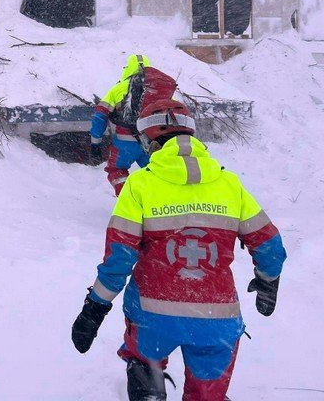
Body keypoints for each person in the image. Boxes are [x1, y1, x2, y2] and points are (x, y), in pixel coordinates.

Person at [72, 99, 286, 401]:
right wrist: (268, 282)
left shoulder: (139, 186)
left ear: (147, 140)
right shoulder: (229, 184)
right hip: (217, 317)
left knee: (146, 377)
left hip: (151, 316)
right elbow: (270, 246)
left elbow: (119, 259)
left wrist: (93, 309)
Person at [89, 54, 153, 195]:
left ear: (128, 69)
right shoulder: (158, 89)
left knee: (116, 171)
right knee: (156, 172)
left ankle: (128, 200)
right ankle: (157, 202)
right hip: (152, 144)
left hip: (125, 145)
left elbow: (100, 116)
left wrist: (95, 143)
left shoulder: (117, 89)